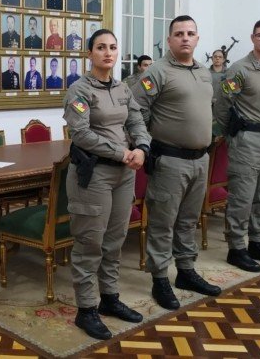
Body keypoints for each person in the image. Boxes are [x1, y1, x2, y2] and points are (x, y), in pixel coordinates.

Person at [64, 28, 150, 340]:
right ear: (90, 54)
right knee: (90, 243)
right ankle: (86, 309)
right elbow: (82, 134)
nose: (108, 52)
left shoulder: (124, 88)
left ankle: (109, 299)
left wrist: (142, 147)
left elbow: (137, 120)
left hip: (124, 174)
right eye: (101, 47)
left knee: (114, 240)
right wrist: (122, 152)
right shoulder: (79, 90)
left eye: (113, 47)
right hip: (94, 174)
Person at [130, 16, 221, 310]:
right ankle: (159, 278)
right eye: (179, 34)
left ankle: (185, 271)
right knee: (163, 223)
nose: (185, 38)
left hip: (200, 160)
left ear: (197, 38)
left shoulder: (204, 72)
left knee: (187, 220)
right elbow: (135, 111)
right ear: (169, 40)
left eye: (190, 33)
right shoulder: (157, 71)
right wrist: (147, 143)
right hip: (170, 160)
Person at [214, 19, 260, 273]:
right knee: (243, 195)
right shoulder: (239, 69)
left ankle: (257, 242)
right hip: (247, 138)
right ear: (253, 38)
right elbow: (222, 103)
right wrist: (231, 134)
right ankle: (236, 248)